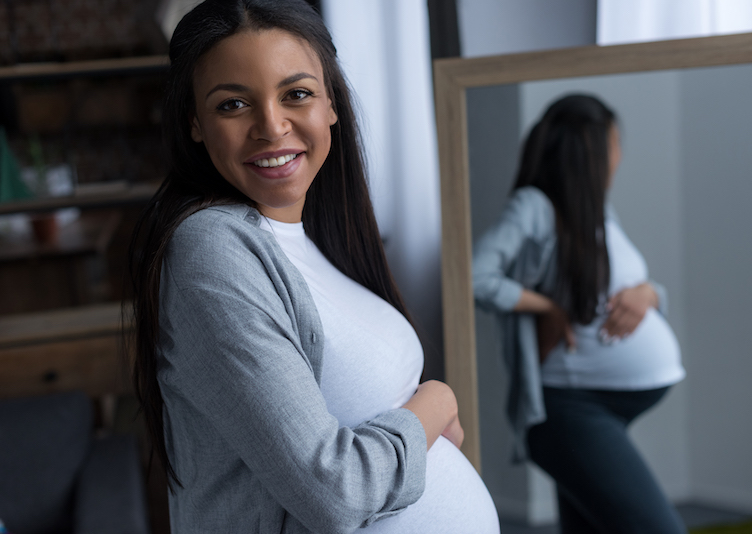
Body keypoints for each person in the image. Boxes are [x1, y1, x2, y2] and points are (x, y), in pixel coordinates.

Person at [127, 1, 500, 533]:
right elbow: (335, 494)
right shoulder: (211, 250)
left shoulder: (311, 237)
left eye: (296, 94)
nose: (271, 126)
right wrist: (435, 404)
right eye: (233, 104)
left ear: (331, 104)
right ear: (195, 123)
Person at [472, 94, 686, 534]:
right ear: (593, 151)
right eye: (615, 143)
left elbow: (618, 283)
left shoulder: (598, 210)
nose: (620, 156)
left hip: (601, 407)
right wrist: (546, 306)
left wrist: (649, 294)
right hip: (570, 408)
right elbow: (474, 276)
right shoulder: (535, 207)